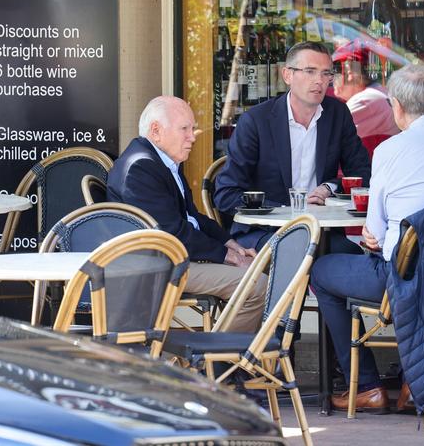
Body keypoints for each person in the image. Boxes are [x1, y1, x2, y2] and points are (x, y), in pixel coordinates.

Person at [309, 63, 424, 413]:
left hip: (408, 279)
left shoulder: (390, 151)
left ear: (396, 106)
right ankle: (416, 380)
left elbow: (374, 235)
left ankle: (365, 386)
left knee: (322, 271)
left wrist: (375, 236)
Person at [107, 96, 267, 333]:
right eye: (185, 129)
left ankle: (230, 357)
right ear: (156, 131)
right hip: (156, 266)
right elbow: (173, 233)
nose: (193, 136)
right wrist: (230, 257)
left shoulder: (161, 161)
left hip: (172, 257)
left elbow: (193, 217)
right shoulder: (140, 168)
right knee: (258, 285)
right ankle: (225, 361)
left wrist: (230, 244)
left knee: (260, 268)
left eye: (192, 129)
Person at [214, 41, 371, 252]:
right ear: (287, 75)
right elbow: (226, 193)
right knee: (297, 254)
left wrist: (329, 188)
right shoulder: (256, 121)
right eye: (310, 71)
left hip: (322, 232)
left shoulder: (337, 114)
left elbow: (362, 174)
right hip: (265, 232)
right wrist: (284, 211)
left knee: (352, 257)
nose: (319, 81)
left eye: (326, 74)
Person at [332, 45, 399, 139]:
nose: (331, 77)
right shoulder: (377, 92)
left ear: (350, 73)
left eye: (335, 70)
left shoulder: (364, 100)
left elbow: (324, 139)